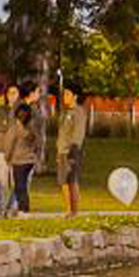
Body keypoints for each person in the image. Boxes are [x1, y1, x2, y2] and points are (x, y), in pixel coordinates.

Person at [55, 85, 89, 218]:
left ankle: (74, 211)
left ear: (75, 96)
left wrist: (73, 150)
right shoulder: (65, 112)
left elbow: (78, 133)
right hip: (61, 151)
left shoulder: (78, 112)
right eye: (64, 94)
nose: (65, 97)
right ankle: (68, 209)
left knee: (72, 180)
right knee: (63, 181)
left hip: (72, 151)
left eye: (68, 94)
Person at [0, 85, 24, 217]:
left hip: (18, 151)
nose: (12, 95)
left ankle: (11, 210)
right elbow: (0, 126)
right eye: (9, 93)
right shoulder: (0, 109)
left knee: (17, 182)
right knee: (1, 182)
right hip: (1, 150)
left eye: (15, 93)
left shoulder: (24, 110)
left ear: (19, 95)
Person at [5, 103, 40, 215]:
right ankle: (22, 208)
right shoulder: (32, 128)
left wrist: (7, 157)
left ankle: (23, 209)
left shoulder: (15, 129)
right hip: (30, 160)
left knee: (20, 186)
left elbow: (9, 144)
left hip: (18, 160)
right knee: (23, 185)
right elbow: (37, 143)